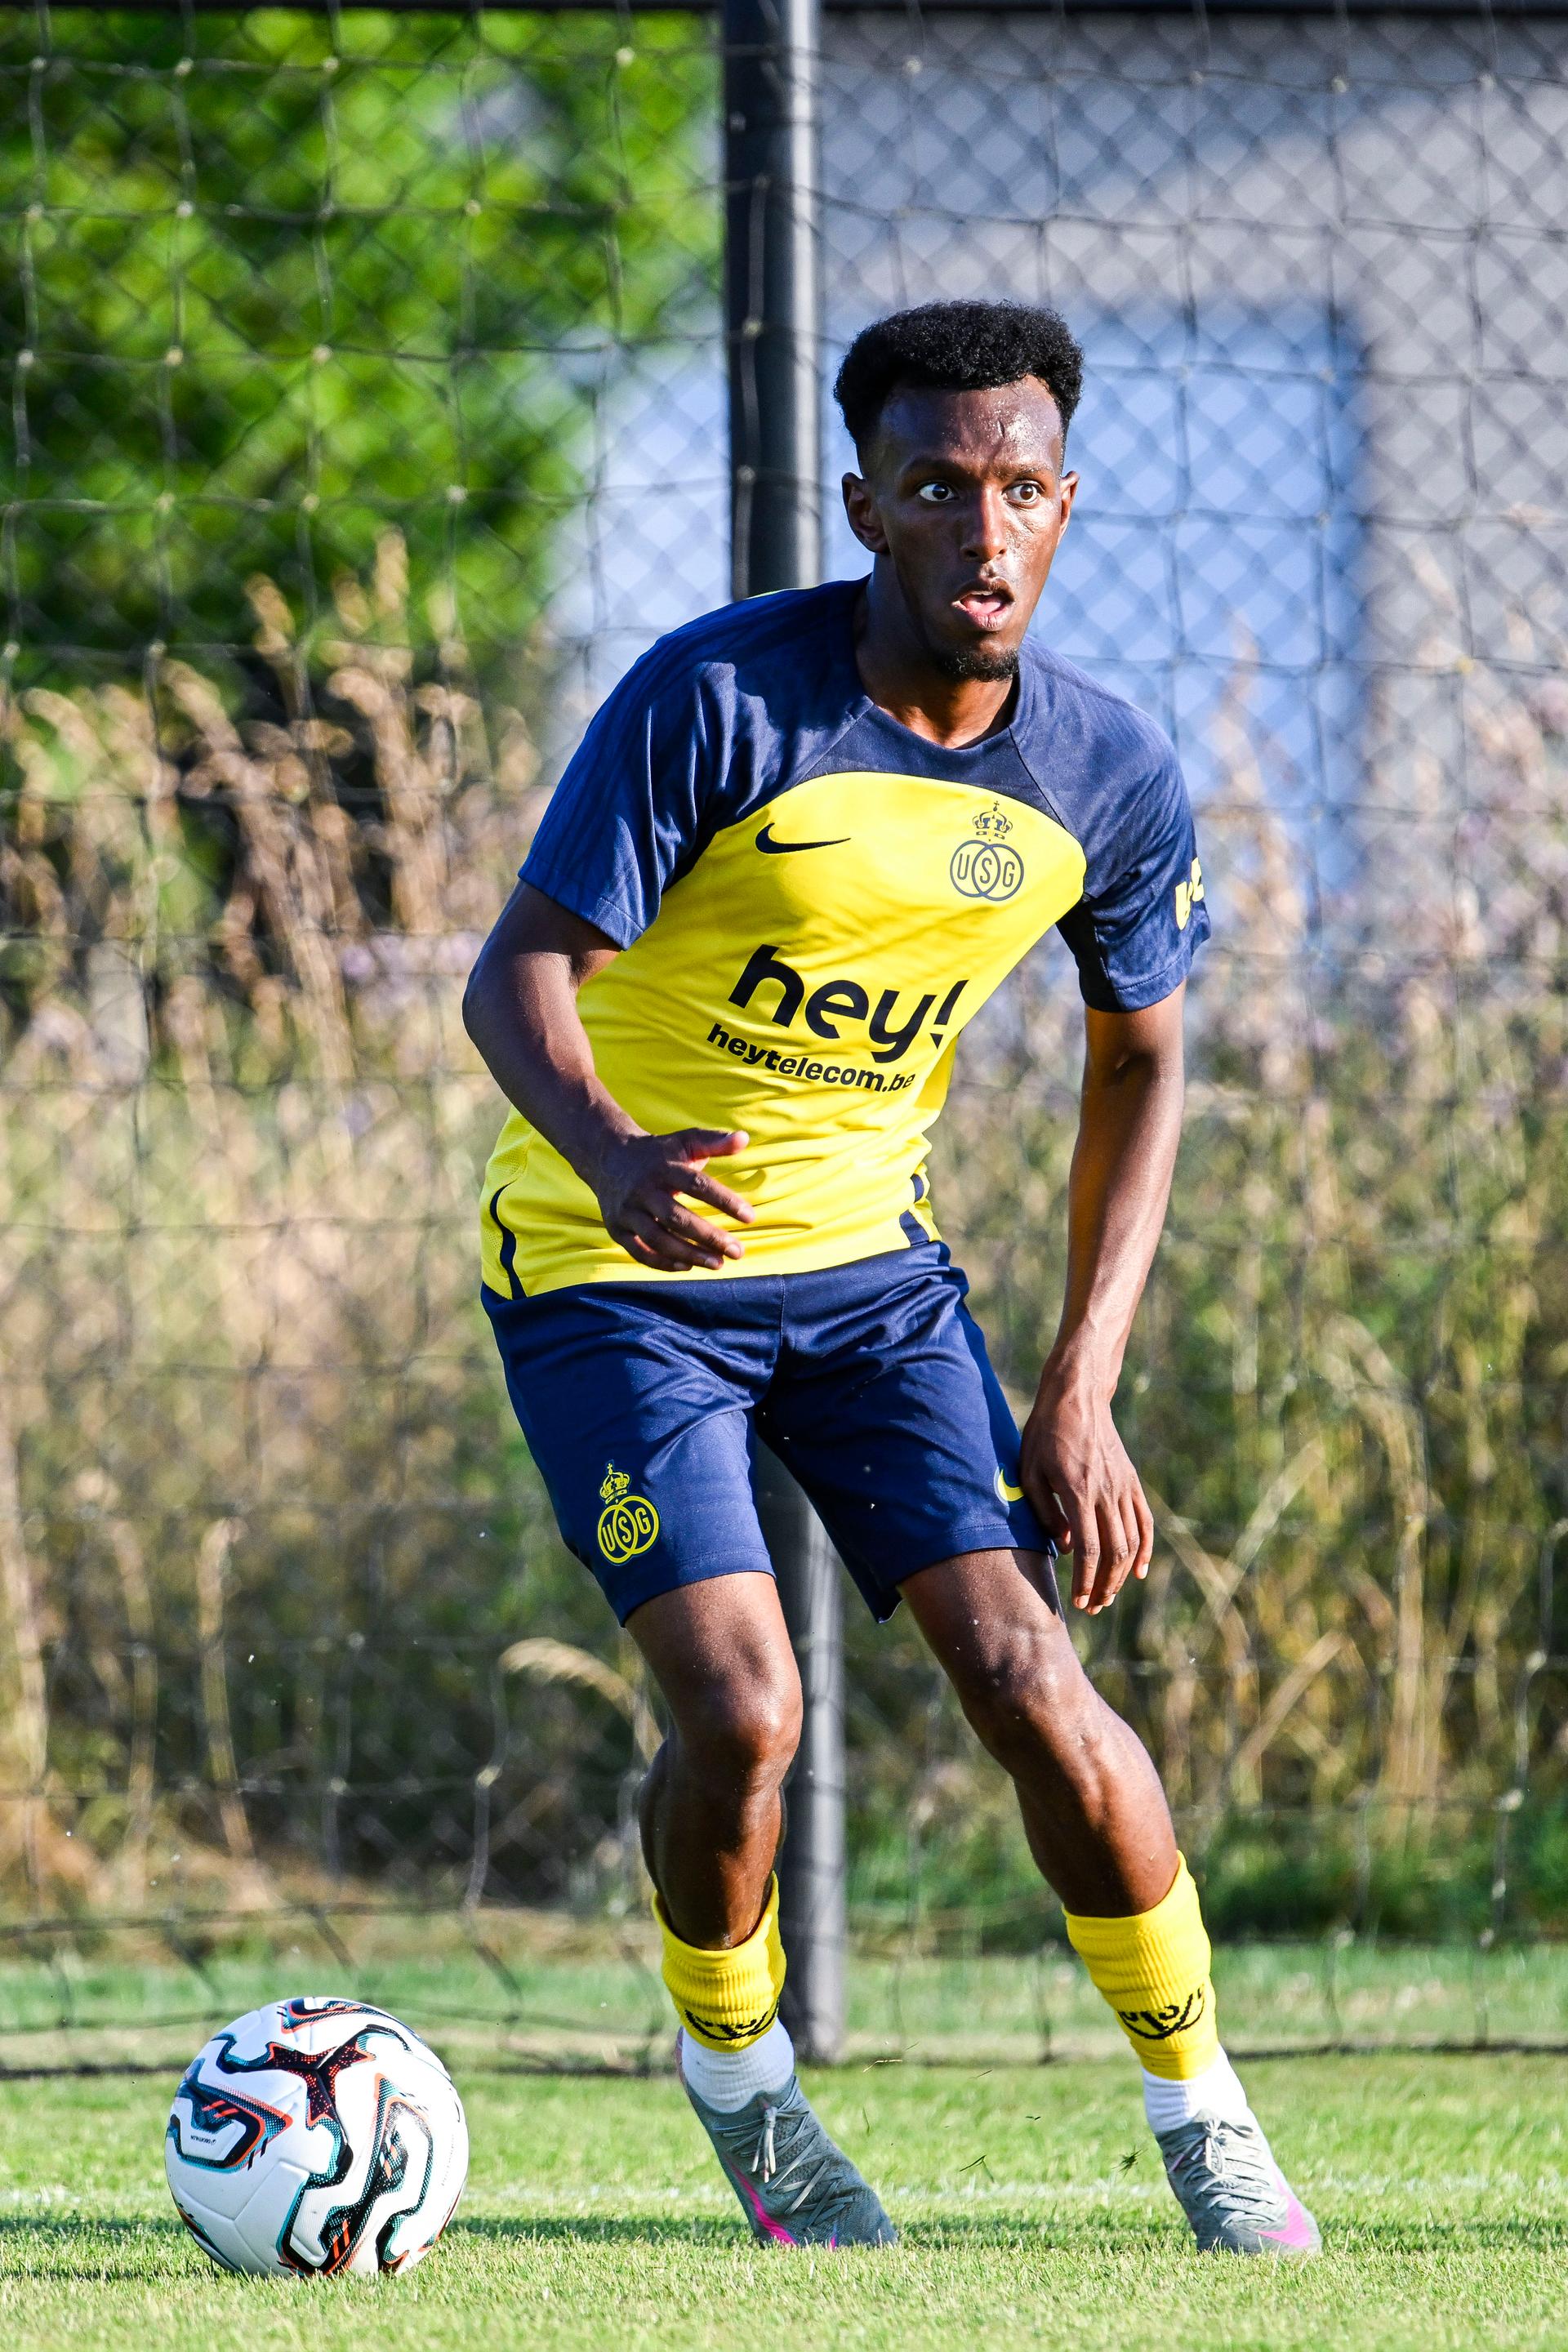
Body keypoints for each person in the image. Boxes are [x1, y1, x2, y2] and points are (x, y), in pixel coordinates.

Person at [463, 300, 1319, 2256]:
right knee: (744, 1713)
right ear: (866, 506)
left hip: (870, 1287)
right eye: (938, 488)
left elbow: (1144, 1062)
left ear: (1066, 504)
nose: (983, 529)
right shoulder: (717, 700)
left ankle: (1206, 2112)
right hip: (613, 1274)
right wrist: (615, 1156)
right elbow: (514, 978)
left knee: (1029, 1676)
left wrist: (1081, 1385)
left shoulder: (1104, 772)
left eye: (1020, 488)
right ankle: (747, 2093)